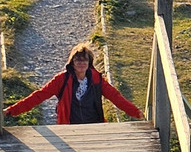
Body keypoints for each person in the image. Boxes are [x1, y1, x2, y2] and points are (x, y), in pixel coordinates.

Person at [2, 43, 143, 124]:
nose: (81, 63)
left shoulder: (97, 80)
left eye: (84, 60)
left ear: (89, 63)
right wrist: (11, 110)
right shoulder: (62, 79)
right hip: (69, 129)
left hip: (95, 127)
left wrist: (137, 113)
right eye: (78, 60)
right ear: (72, 63)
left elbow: (116, 98)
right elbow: (39, 96)